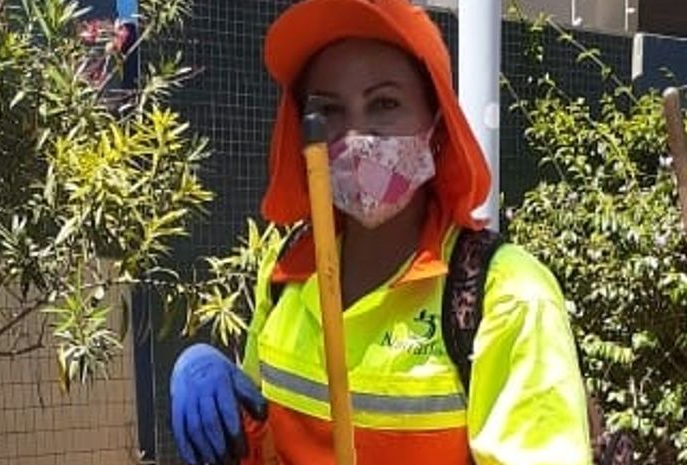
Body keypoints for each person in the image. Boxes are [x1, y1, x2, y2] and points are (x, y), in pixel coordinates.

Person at [169, 1, 592, 464]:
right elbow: (262, 446)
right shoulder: (286, 272)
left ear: (436, 124)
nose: (356, 136)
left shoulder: (506, 296)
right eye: (328, 111)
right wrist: (222, 399)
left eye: (385, 103)